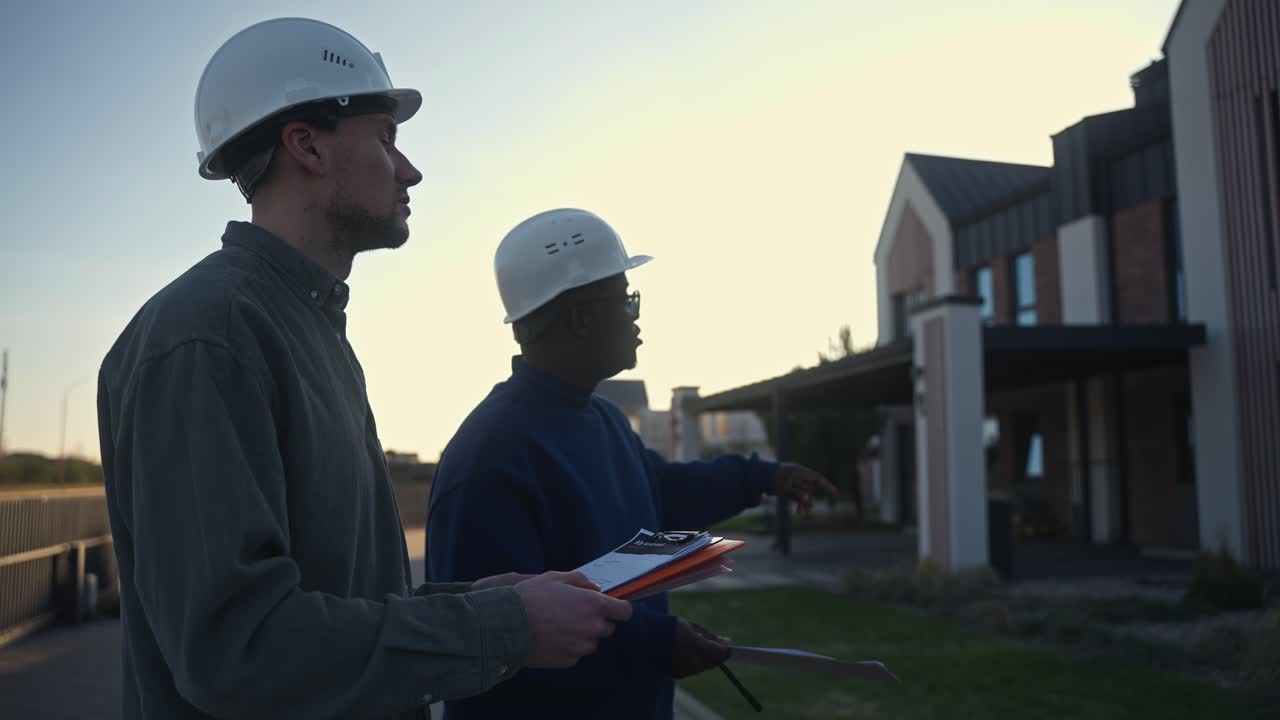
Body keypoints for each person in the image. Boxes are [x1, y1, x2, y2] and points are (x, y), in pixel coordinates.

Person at [96, 21, 629, 720]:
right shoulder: (210, 336)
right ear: (306, 144)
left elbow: (331, 605)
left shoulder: (306, 329)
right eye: (386, 138)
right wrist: (506, 628)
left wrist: (484, 604)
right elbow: (238, 650)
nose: (409, 170)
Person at [427, 208, 839, 719]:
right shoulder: (490, 456)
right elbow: (498, 636)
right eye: (626, 299)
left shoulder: (600, 418)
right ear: (580, 318)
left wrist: (764, 476)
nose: (636, 315)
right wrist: (655, 644)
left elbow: (655, 491)